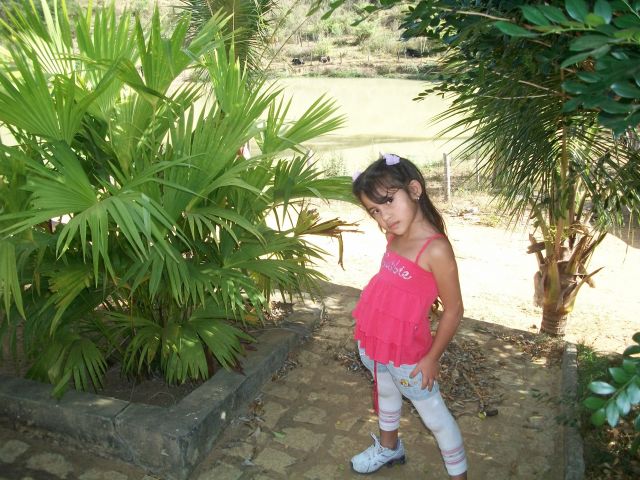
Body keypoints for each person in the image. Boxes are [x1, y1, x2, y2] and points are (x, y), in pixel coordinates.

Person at [350, 153, 468, 478]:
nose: (384, 217)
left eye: (388, 201)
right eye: (375, 210)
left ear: (414, 190)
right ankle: (389, 448)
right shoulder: (395, 236)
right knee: (386, 392)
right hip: (376, 341)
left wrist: (432, 358)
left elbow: (455, 309)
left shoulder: (436, 249)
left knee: (435, 417)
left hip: (409, 355)